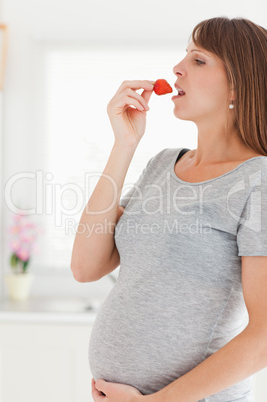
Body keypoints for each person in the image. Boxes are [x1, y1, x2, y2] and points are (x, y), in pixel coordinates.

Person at [70, 17, 267, 402]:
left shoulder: (258, 181)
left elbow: (264, 337)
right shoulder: (163, 164)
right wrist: (123, 144)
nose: (177, 68)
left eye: (198, 60)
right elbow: (86, 267)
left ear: (237, 85)